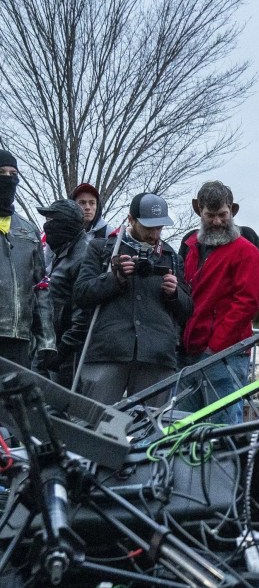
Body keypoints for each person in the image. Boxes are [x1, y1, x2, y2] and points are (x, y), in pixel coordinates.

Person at [73, 193, 192, 404]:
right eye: (149, 227)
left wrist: (174, 294)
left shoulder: (172, 257)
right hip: (108, 350)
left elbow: (187, 309)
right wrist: (113, 279)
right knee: (94, 423)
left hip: (156, 355)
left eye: (160, 228)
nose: (155, 234)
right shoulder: (103, 249)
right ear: (131, 220)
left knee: (150, 430)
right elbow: (81, 294)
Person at [179, 181, 259, 424]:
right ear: (200, 212)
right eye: (211, 215)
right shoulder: (190, 248)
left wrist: (216, 345)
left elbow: (246, 303)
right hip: (193, 350)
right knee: (185, 425)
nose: (217, 221)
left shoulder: (246, 252)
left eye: (222, 215)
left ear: (232, 212)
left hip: (224, 353)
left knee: (221, 428)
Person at [0, 150, 56, 369]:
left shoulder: (28, 230)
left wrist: (47, 340)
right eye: (1, 173)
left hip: (19, 339)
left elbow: (41, 288)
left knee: (15, 402)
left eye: (13, 173)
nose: (8, 179)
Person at [36, 199, 89, 387]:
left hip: (69, 355)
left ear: (64, 222)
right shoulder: (60, 250)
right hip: (50, 345)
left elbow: (84, 312)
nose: (46, 225)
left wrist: (63, 349)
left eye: (51, 219)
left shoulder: (84, 255)